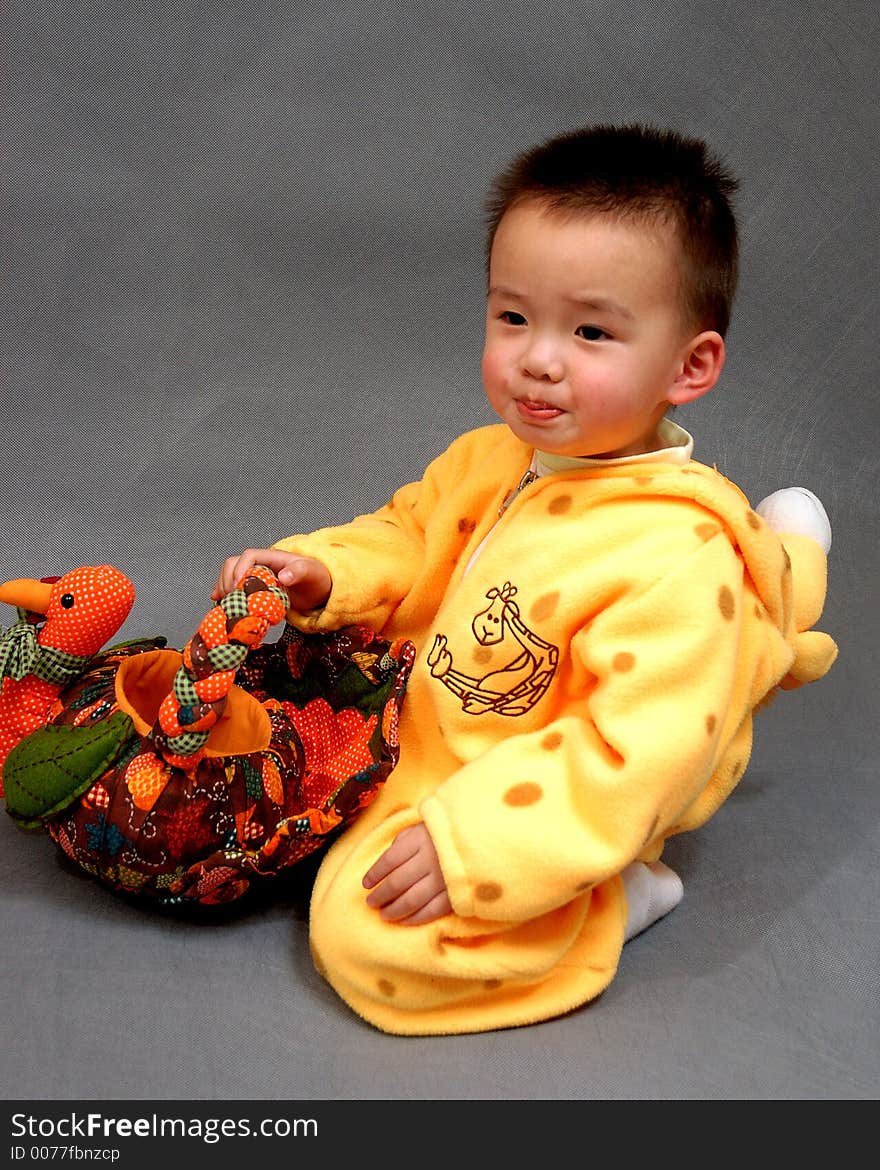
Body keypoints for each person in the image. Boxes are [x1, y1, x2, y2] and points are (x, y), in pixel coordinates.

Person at [213, 125, 837, 1035]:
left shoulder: (674, 558)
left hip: (526, 779)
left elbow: (637, 753)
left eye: (590, 330)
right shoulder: (490, 456)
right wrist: (323, 573)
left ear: (689, 366)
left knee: (366, 938)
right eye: (513, 317)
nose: (539, 358)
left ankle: (621, 894)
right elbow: (409, 533)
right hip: (411, 724)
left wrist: (479, 845)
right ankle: (788, 550)